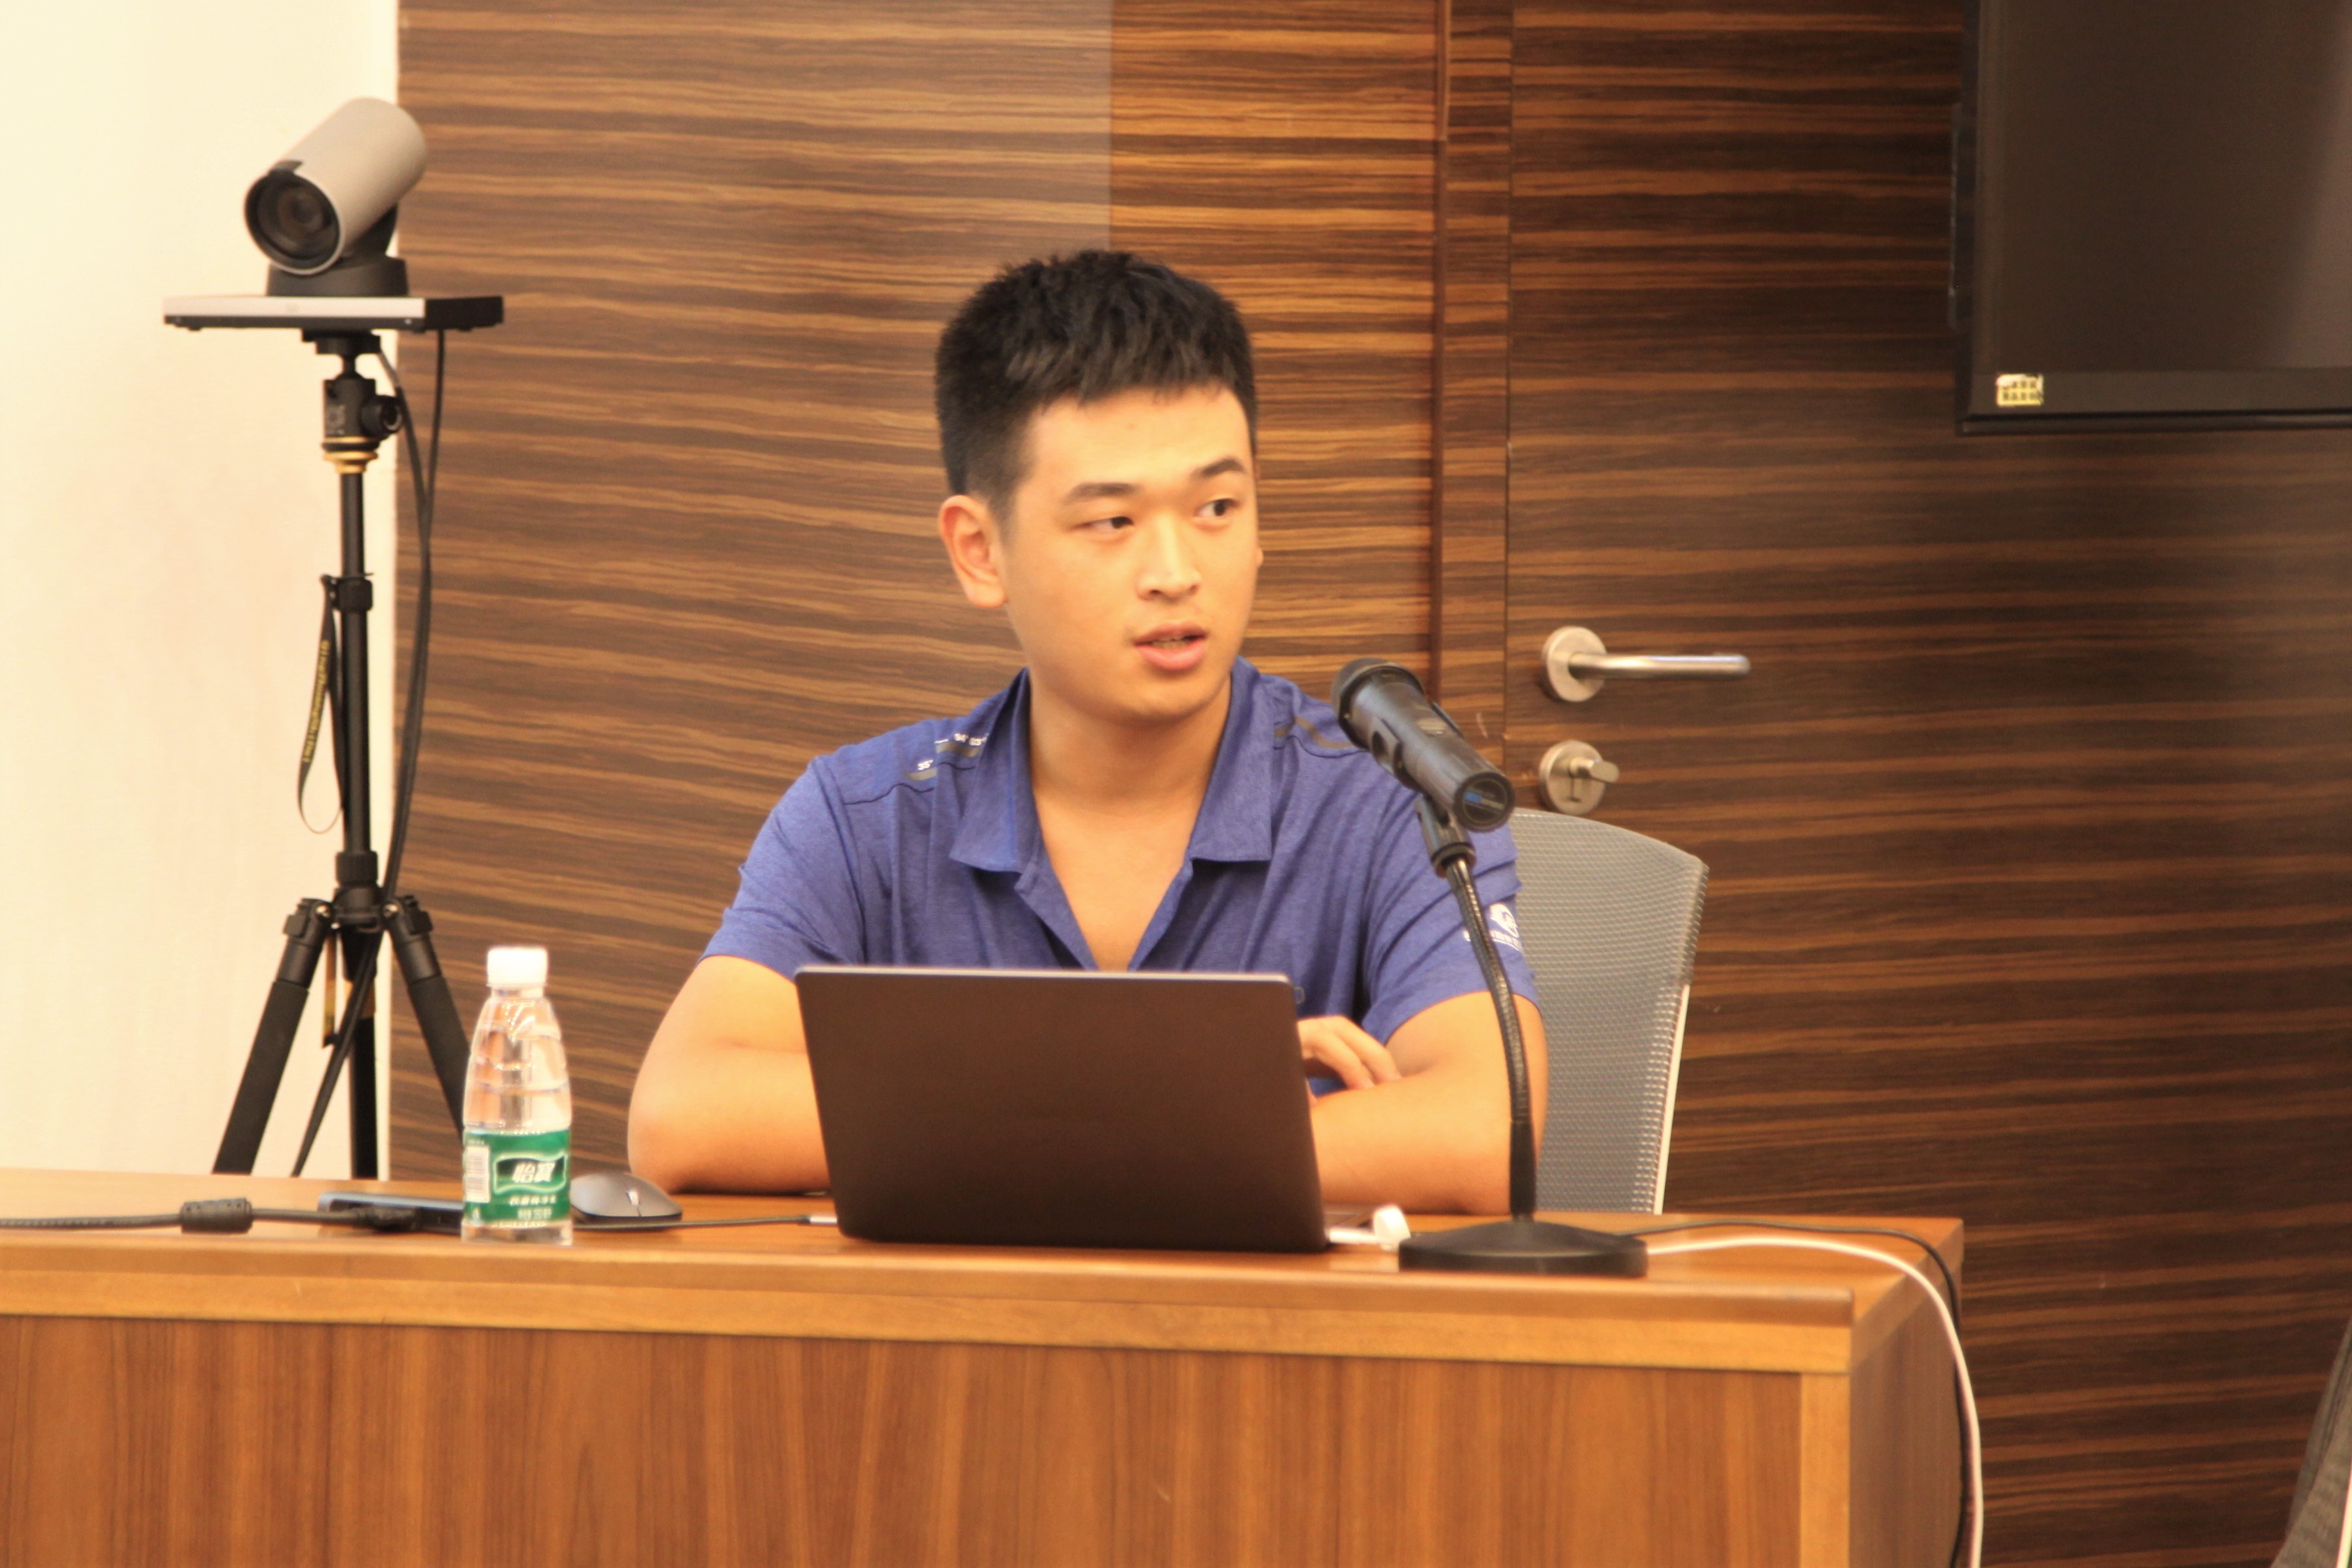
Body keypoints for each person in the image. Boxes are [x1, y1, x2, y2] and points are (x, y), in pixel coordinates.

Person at [627, 250, 1544, 1213]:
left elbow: (1488, 1131)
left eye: (1217, 508)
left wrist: (1024, 1121)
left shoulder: (1394, 801)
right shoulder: (866, 817)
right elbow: (684, 1113)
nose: (1176, 572)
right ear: (980, 552)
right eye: (1112, 521)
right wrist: (1188, 1093)